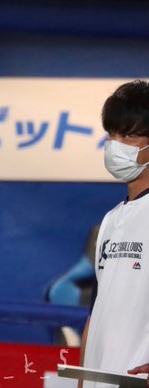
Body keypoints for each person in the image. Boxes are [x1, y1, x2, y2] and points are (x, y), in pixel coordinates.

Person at [79, 79, 149, 388]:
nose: (114, 144)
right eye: (111, 134)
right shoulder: (110, 220)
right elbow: (95, 312)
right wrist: (83, 379)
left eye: (129, 135)